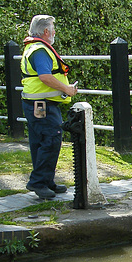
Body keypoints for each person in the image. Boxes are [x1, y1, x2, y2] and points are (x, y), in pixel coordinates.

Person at [21, 15, 78, 199]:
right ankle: (38, 182)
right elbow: (45, 76)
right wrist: (67, 89)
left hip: (37, 102)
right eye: (53, 28)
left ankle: (46, 181)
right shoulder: (40, 50)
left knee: (40, 141)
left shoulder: (34, 47)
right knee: (51, 139)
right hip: (41, 104)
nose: (54, 32)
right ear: (46, 31)